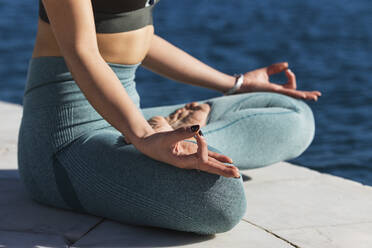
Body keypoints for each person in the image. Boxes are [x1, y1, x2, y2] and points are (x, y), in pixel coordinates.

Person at [17, 0, 321, 235]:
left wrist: (234, 84)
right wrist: (144, 137)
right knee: (222, 201)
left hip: (125, 116)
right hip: (65, 145)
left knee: (295, 114)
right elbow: (81, 50)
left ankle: (179, 135)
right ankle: (172, 137)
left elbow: (140, 38)